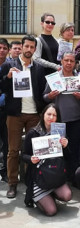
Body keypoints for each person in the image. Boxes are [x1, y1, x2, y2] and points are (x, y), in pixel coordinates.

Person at [0, 35, 46, 198]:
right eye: (26, 46)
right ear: (22, 46)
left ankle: (30, 181)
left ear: (34, 49)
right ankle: (12, 183)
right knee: (13, 150)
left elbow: (41, 92)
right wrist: (8, 78)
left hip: (33, 115)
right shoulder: (9, 65)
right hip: (14, 115)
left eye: (32, 47)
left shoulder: (39, 68)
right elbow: (2, 87)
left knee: (33, 150)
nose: (28, 49)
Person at [43, 52, 80, 184]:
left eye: (71, 61)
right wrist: (50, 96)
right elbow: (44, 97)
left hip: (77, 119)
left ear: (75, 63)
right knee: (58, 149)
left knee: (73, 149)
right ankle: (59, 177)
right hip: (58, 121)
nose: (69, 63)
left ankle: (73, 177)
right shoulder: (54, 78)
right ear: (61, 62)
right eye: (66, 60)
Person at [23, 103, 72, 216]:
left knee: (67, 195)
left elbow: (69, 157)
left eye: (54, 115)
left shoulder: (61, 133)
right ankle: (35, 197)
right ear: (42, 115)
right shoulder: (33, 133)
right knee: (51, 211)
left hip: (55, 174)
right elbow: (24, 155)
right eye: (48, 114)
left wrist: (66, 146)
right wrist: (31, 159)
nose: (51, 117)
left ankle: (52, 194)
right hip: (39, 177)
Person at [0, 38, 10, 183]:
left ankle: (5, 172)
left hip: (6, 109)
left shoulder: (10, 65)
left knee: (6, 142)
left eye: (4, 48)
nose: (1, 50)